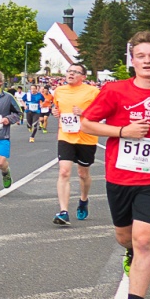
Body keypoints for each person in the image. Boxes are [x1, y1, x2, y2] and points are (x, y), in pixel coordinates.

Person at [82, 31, 150, 299]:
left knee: (145, 238)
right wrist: (123, 131)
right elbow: (87, 122)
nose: (147, 61)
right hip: (121, 176)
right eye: (141, 56)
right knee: (125, 237)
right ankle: (130, 254)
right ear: (132, 61)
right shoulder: (115, 90)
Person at [50, 65, 99, 224]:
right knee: (64, 172)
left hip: (86, 137)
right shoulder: (59, 91)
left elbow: (102, 112)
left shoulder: (93, 92)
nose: (70, 73)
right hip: (65, 135)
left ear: (83, 76)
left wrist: (84, 112)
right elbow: (56, 108)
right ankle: (63, 211)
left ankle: (83, 200)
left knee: (83, 174)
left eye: (75, 72)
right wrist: (55, 112)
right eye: (69, 71)